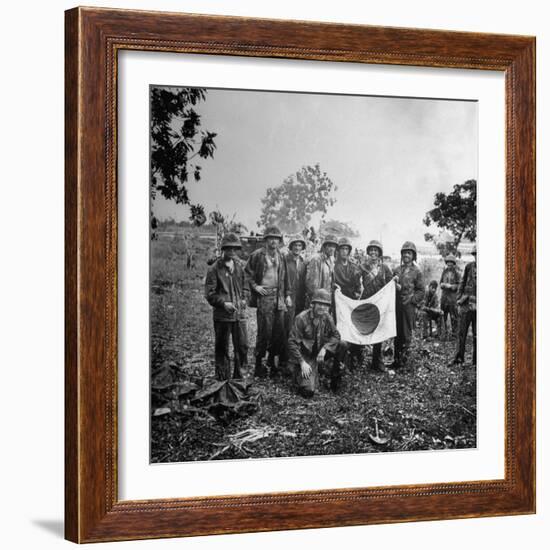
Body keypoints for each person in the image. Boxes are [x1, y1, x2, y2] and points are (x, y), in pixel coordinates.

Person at [245, 225, 291, 378]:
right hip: (265, 297)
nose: (273, 241)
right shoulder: (257, 255)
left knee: (278, 331)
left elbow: (285, 278)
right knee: (264, 331)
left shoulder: (281, 256)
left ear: (279, 241)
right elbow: (248, 274)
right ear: (266, 240)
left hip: (279, 296)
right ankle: (258, 365)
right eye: (271, 238)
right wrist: (255, 286)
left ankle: (272, 362)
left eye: (276, 239)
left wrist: (286, 295)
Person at [204, 233, 249, 380]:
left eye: (235, 249)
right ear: (223, 249)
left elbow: (246, 286)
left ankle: (240, 377)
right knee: (222, 348)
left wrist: (244, 299)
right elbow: (210, 294)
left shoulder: (240, 267)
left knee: (242, 346)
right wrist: (224, 303)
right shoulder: (214, 269)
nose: (232, 252)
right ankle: (222, 379)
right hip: (223, 316)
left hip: (239, 315)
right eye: (229, 249)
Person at [287, 289, 347, 397]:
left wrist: (325, 348)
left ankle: (335, 380)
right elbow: (292, 342)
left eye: (325, 305)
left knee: (342, 345)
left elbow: (336, 335)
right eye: (319, 303)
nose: (322, 307)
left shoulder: (327, 317)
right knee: (308, 392)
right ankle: (300, 373)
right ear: (313, 304)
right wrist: (302, 362)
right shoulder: (301, 318)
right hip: (306, 356)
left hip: (320, 352)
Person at [360, 239, 394, 371]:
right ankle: (359, 357)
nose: (373, 252)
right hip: (367, 301)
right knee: (363, 328)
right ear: (368, 252)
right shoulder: (363, 266)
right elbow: (356, 281)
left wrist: (394, 283)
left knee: (379, 331)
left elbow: (390, 283)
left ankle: (376, 360)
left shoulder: (385, 268)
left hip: (380, 303)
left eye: (376, 250)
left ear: (379, 252)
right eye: (371, 250)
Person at [392, 241, 425, 369]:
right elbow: (390, 287)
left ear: (413, 255)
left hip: (409, 307)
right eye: (404, 252)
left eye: (409, 253)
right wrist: (394, 285)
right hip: (396, 305)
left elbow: (421, 291)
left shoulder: (417, 272)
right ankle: (396, 360)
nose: (406, 255)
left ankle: (404, 362)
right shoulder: (396, 270)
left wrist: (412, 300)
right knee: (396, 333)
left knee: (406, 334)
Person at [333, 236, 363, 367]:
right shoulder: (334, 266)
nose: (344, 251)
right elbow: (331, 282)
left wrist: (357, 293)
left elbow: (358, 284)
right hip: (338, 303)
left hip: (351, 302)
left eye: (346, 249)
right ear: (338, 251)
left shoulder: (353, 267)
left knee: (353, 328)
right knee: (338, 329)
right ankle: (338, 357)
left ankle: (354, 356)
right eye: (342, 249)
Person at [452, 246, 477, 366]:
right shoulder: (469, 267)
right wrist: (458, 299)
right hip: (466, 305)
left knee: (478, 334)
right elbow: (462, 283)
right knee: (461, 332)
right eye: (476, 254)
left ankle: (476, 360)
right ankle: (459, 358)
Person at [305, 234, 338, 306]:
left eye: (334, 246)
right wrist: (314, 300)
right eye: (329, 246)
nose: (332, 249)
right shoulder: (316, 259)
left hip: (327, 298)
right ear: (324, 247)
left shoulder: (331, 260)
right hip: (318, 300)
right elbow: (312, 284)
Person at [439, 254, 461, 339]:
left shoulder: (457, 273)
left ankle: (455, 334)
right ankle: (442, 333)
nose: (449, 264)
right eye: (448, 262)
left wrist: (451, 286)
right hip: (444, 297)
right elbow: (440, 282)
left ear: (454, 263)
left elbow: (459, 285)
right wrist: (442, 285)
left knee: (454, 315)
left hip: (452, 297)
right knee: (443, 315)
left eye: (451, 263)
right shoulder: (444, 272)